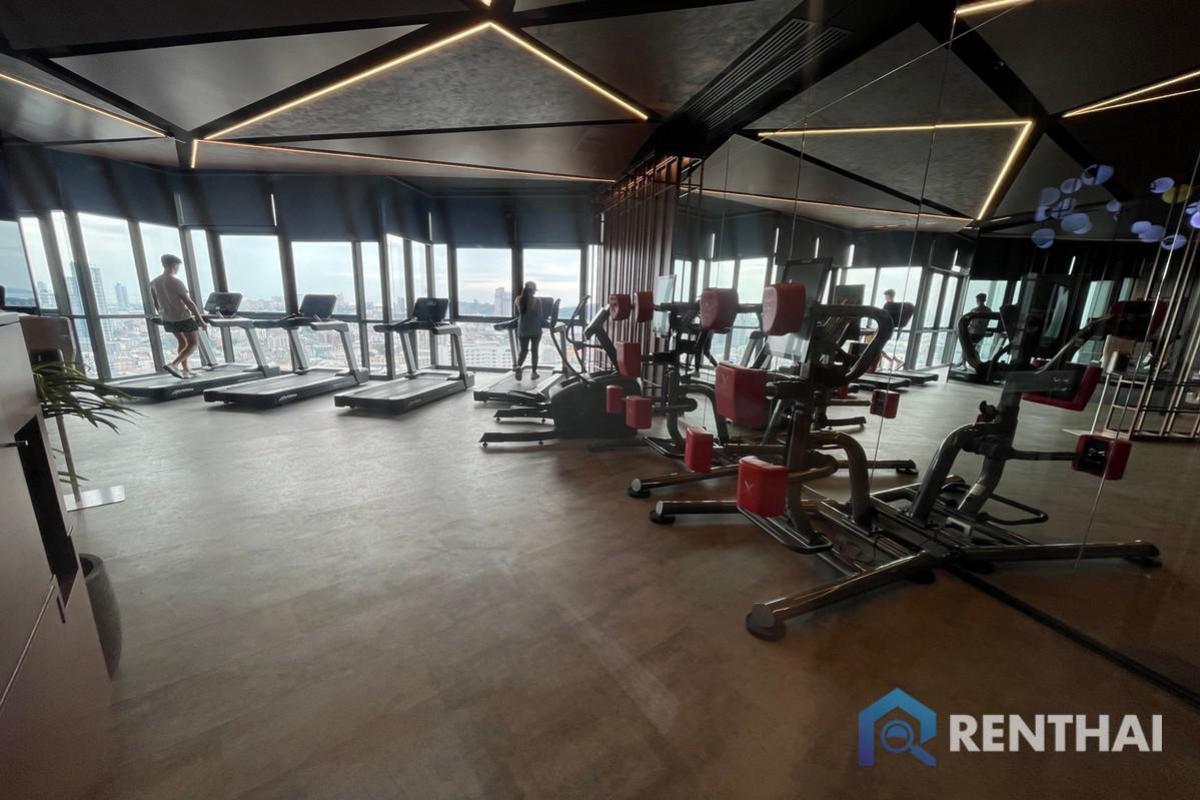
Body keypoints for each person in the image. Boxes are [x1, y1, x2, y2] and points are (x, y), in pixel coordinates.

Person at [148, 254, 206, 379]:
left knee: (182, 342)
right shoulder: (176, 282)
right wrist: (201, 320)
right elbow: (188, 302)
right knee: (193, 343)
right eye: (178, 266)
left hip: (167, 319)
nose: (178, 269)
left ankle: (185, 369)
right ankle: (174, 364)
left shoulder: (154, 282)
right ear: (174, 265)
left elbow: (156, 303)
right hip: (182, 317)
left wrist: (163, 315)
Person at [513, 281, 543, 381]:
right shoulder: (537, 301)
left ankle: (518, 367)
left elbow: (516, 315)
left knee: (523, 350)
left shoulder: (517, 299)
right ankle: (534, 373)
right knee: (534, 351)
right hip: (535, 329)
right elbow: (540, 315)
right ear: (533, 290)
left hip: (523, 329)